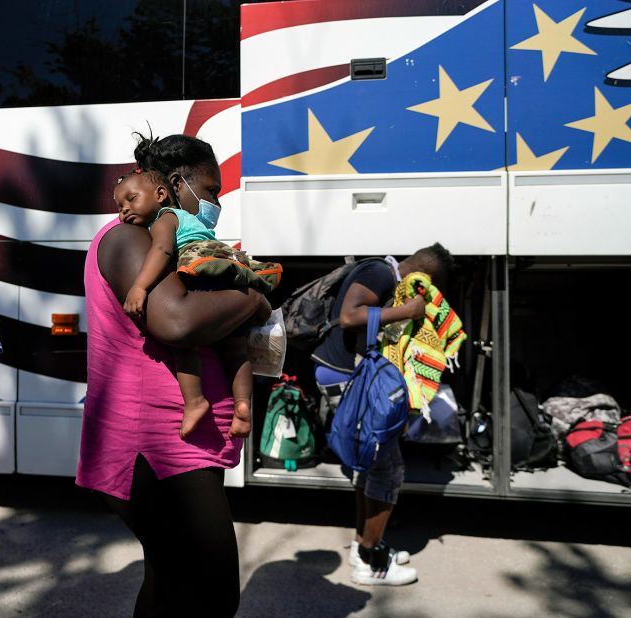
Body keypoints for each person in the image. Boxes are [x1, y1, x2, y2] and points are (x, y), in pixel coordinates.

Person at [77, 133, 271, 617]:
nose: (216, 201)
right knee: (211, 592)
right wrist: (253, 297)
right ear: (176, 184)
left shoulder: (169, 241)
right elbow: (176, 321)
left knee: (170, 584)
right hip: (156, 446)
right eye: (211, 188)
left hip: (175, 442)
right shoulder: (129, 238)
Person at [313, 243, 454, 586]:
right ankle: (369, 560)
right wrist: (408, 310)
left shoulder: (383, 275)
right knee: (388, 469)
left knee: (372, 464)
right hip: (347, 378)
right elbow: (349, 316)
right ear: (424, 277)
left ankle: (365, 546)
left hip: (348, 376)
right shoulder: (379, 272)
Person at [117, 167, 278, 438]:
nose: (124, 210)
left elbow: (162, 250)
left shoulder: (163, 219)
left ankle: (194, 402)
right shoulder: (191, 220)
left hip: (200, 277)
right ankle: (243, 407)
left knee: (183, 344)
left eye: (131, 199)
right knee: (236, 350)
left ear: (160, 194)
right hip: (224, 278)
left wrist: (139, 286)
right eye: (119, 205)